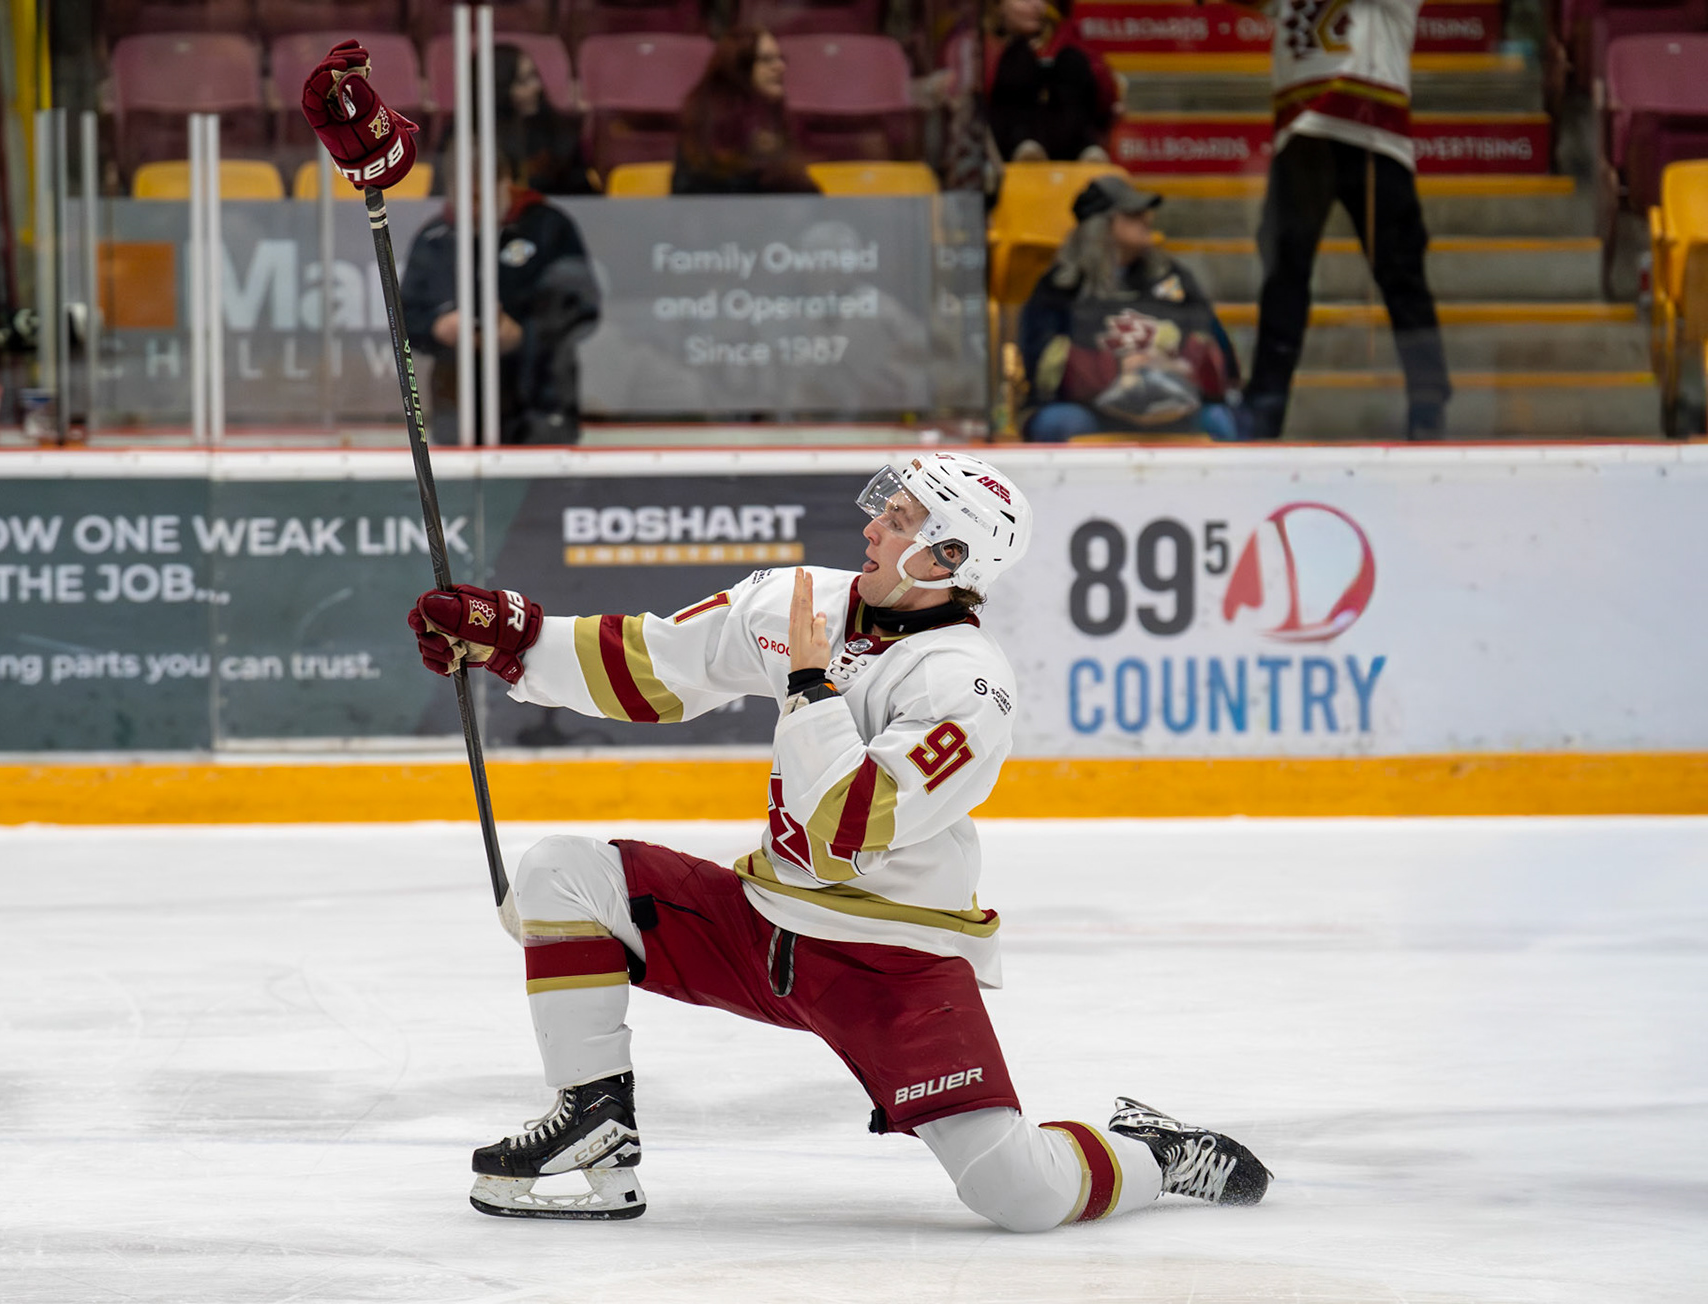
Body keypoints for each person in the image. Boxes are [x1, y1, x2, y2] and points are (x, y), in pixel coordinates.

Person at [404, 452, 1273, 1227]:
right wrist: (515, 641)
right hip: (762, 925)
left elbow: (842, 828)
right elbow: (657, 666)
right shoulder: (802, 601)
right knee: (559, 873)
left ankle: (1156, 1152)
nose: (871, 527)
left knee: (1019, 1194)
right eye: (884, 509)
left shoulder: (967, 687)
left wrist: (810, 684)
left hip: (891, 959)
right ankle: (594, 1127)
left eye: (898, 519)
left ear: (946, 557)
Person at [1236, 0, 1451, 440]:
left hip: (1372, 133)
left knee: (1400, 277)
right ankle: (1264, 405)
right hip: (1311, 135)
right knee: (1284, 278)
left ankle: (1428, 402)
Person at [1018, 177, 1240, 441]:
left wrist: (1172, 363)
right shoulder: (1061, 286)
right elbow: (1041, 364)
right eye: (1132, 214)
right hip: (1088, 408)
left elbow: (1214, 343)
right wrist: (1117, 368)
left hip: (1172, 403)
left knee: (1219, 420)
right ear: (1100, 226)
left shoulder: (1172, 278)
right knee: (1060, 424)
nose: (1146, 219)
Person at [399, 158, 601, 445]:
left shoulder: (549, 228)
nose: (471, 208)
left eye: (478, 196)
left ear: (504, 185)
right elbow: (405, 315)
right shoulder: (435, 238)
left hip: (541, 400)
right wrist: (438, 327)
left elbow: (581, 308)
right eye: (461, 197)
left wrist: (524, 335)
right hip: (457, 405)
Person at [671, 28, 818, 196]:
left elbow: (806, 195)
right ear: (740, 67)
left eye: (780, 58)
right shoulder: (705, 122)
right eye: (767, 59)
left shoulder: (775, 118)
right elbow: (692, 190)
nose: (780, 67)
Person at [436, 44, 595, 197]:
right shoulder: (461, 137)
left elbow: (584, 199)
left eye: (534, 76)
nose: (537, 87)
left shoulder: (559, 134)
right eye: (522, 81)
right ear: (498, 88)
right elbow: (444, 197)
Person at [983, 0, 1118, 169]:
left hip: (1063, 138)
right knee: (1018, 55)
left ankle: (1084, 148)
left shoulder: (1064, 39)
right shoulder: (983, 44)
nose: (1037, 5)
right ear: (998, 6)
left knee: (1071, 59)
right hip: (1007, 142)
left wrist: (1063, 32)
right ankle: (1024, 146)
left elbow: (1104, 94)